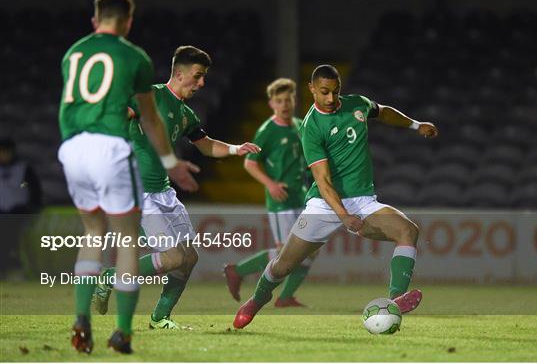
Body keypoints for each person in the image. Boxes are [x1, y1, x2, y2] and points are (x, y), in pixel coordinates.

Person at [233, 64, 439, 329]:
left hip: (363, 201)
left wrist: (415, 124)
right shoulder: (311, 127)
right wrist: (344, 216)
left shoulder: (357, 104)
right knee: (283, 265)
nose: (331, 99)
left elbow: (384, 112)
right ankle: (256, 300)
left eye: (335, 92)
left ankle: (394, 300)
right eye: (324, 92)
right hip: (324, 204)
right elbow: (324, 181)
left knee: (408, 231)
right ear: (311, 89)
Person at [58, 0, 198, 354]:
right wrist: (171, 162)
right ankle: (122, 332)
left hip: (72, 148)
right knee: (127, 243)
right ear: (128, 23)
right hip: (110, 148)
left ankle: (81, 320)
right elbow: (148, 117)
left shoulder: (72, 53)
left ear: (95, 20)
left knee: (92, 232)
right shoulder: (135, 58)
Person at [92, 45, 260, 329]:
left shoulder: (186, 114)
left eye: (204, 76)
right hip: (139, 191)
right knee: (172, 257)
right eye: (198, 76)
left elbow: (206, 146)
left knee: (188, 258)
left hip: (164, 192)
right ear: (180, 74)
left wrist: (235, 149)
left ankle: (160, 318)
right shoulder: (149, 97)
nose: (202, 83)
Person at [223, 78, 315, 307]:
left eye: (288, 99)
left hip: (301, 196)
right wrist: (271, 184)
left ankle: (285, 297)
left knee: (310, 248)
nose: (285, 104)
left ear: (294, 100)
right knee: (285, 253)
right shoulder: (267, 131)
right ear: (271, 104)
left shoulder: (299, 125)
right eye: (279, 100)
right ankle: (238, 270)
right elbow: (250, 163)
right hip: (281, 201)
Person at [0, 138, 42, 274]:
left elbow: (34, 189)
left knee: (12, 238)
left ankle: (15, 267)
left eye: (5, 152)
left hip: (18, 212)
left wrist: (32, 208)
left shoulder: (23, 169)